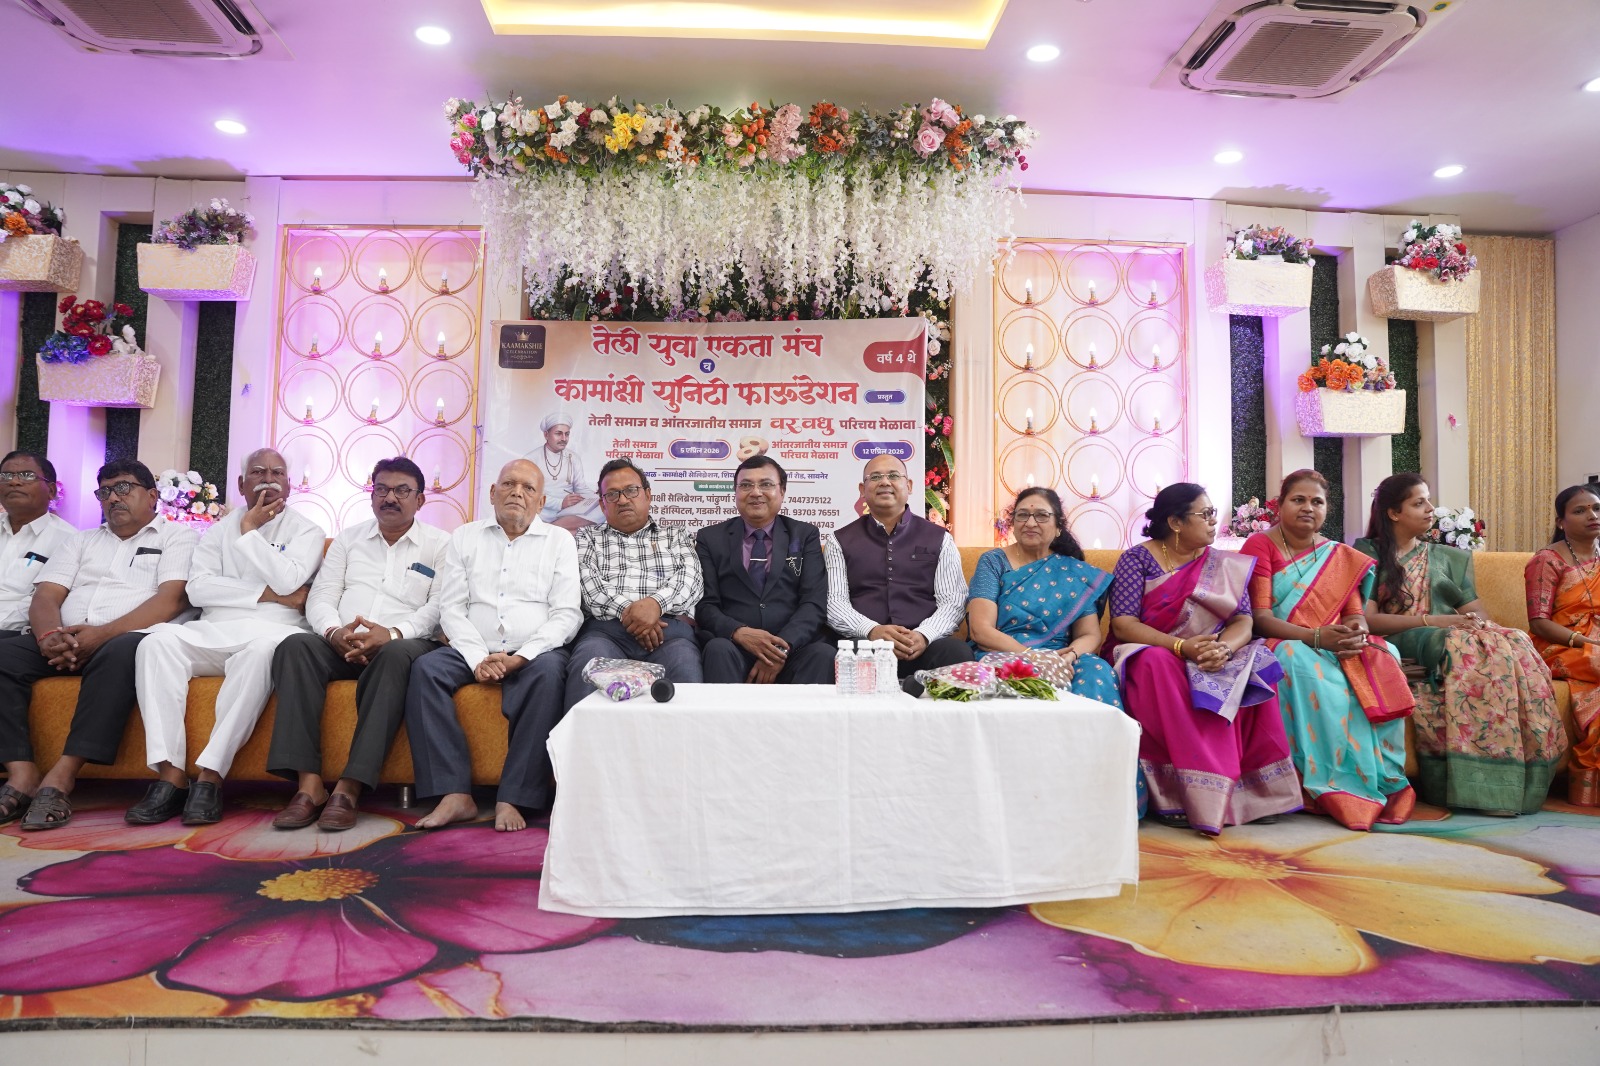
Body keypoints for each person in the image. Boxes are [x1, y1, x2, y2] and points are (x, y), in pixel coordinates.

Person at [129, 448, 324, 826]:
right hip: (213, 628)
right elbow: (199, 589)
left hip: (273, 629)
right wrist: (265, 594)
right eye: (258, 472)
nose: (268, 479)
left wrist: (250, 532)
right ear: (241, 483)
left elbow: (289, 581)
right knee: (155, 644)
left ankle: (211, 776)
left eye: (277, 473)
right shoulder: (217, 530)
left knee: (261, 652)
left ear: (289, 485)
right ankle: (170, 775)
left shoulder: (307, 531)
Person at [0, 460, 197, 829]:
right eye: (104, 491)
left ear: (152, 496)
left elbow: (171, 600)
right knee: (3, 655)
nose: (113, 498)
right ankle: (21, 772)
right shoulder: (81, 540)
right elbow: (46, 596)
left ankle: (62, 776)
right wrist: (49, 637)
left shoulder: (177, 537)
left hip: (126, 639)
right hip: (67, 637)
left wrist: (101, 635)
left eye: (123, 488)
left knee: (123, 650)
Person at [1357, 473, 1563, 815]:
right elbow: (1369, 619)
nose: (1430, 508)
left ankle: (1511, 783)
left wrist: (1478, 626)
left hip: (1446, 634)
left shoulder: (1447, 557)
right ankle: (1476, 788)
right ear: (1393, 513)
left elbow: (1477, 612)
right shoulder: (1367, 554)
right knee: (1462, 646)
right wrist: (1434, 621)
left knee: (1512, 640)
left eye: (1428, 500)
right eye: (1419, 502)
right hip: (1397, 637)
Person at [1107, 482, 1301, 835]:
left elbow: (1243, 620)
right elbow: (1123, 624)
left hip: (1211, 648)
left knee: (1257, 661)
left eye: (1214, 513)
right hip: (1151, 649)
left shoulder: (1224, 565)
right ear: (1176, 522)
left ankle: (1255, 793)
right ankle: (1184, 793)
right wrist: (1182, 647)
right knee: (1156, 665)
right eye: (1206, 514)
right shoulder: (1137, 559)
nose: (1214, 521)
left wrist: (1224, 649)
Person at [266, 457, 448, 831]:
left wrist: (392, 634)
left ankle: (349, 788)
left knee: (394, 654)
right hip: (344, 642)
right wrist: (333, 632)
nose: (390, 498)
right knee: (295, 646)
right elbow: (322, 595)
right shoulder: (348, 539)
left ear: (420, 499)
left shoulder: (442, 545)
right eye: (382, 489)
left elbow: (440, 607)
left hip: (407, 644)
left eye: (402, 490)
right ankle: (309, 786)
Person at [405, 459, 581, 832]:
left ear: (541, 501)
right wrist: (477, 659)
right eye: (509, 484)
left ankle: (512, 796)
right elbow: (452, 609)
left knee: (550, 675)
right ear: (492, 492)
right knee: (425, 670)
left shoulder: (560, 541)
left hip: (535, 651)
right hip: (473, 646)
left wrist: (523, 656)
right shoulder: (465, 537)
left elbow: (567, 614)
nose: (517, 492)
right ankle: (454, 793)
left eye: (528, 488)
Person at [1239, 468, 1416, 831]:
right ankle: (1327, 783)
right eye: (1298, 500)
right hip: (1283, 641)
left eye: (1316, 502)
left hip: (1331, 641)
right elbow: (1261, 618)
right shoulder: (1260, 545)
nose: (1308, 507)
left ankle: (1386, 778)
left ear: (1326, 509)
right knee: (1297, 660)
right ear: (1279, 505)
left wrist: (1356, 634)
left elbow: (1355, 615)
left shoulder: (1338, 555)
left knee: (1385, 654)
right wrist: (1316, 638)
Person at [823, 454, 971, 695]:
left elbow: (953, 601)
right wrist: (872, 631)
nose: (885, 482)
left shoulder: (940, 539)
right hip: (865, 645)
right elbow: (834, 602)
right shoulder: (839, 540)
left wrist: (923, 635)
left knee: (957, 653)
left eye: (893, 475)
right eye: (875, 477)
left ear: (909, 486)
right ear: (862, 489)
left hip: (922, 646)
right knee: (834, 654)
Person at [563, 458, 704, 711]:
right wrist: (636, 615)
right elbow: (588, 586)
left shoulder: (676, 534)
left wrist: (655, 605)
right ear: (602, 504)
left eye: (631, 490)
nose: (623, 500)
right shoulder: (587, 537)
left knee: (685, 673)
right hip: (606, 634)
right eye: (612, 494)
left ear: (647, 495)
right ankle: (582, 739)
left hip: (670, 635)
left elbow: (691, 580)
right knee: (586, 665)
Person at [967, 487, 1121, 707]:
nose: (1030, 523)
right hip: (1005, 652)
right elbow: (980, 630)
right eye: (1022, 515)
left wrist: (1069, 657)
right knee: (1014, 677)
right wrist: (1032, 656)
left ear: (1058, 527)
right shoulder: (993, 562)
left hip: (1061, 656)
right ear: (1013, 523)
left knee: (1097, 672)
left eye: (1041, 515)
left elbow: (1089, 634)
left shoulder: (1073, 571)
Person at [694, 455, 834, 684]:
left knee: (823, 654)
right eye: (746, 485)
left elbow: (813, 603)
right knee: (717, 649)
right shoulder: (710, 538)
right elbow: (705, 605)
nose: (756, 492)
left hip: (792, 649)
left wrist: (780, 648)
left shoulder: (804, 535)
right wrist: (738, 632)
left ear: (782, 491)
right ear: (735, 492)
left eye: (766, 484)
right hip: (735, 646)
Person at [1525, 484, 1600, 805]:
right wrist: (1585, 641)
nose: (1592, 515)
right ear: (1561, 521)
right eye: (1580, 510)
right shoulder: (1547, 560)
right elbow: (1538, 622)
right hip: (1557, 645)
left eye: (1596, 508)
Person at [0, 451, 76, 638]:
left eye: (27, 475)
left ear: (51, 491)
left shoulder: (70, 541)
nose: (14, 482)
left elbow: (45, 602)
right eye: (6, 476)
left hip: (14, 635)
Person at [531, 412, 600, 533]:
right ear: (546, 434)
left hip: (568, 512)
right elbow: (530, 494)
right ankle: (554, 530)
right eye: (558, 433)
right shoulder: (531, 459)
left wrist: (598, 497)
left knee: (604, 508)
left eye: (567, 434)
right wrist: (560, 503)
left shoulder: (573, 457)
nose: (564, 438)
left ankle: (552, 530)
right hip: (542, 511)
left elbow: (581, 488)